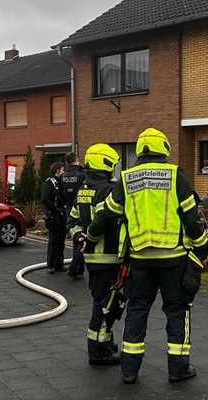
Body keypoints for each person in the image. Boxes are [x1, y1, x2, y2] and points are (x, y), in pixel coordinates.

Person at [88, 128, 208, 384]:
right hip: (174, 260)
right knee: (177, 311)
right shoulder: (175, 174)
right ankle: (178, 369)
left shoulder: (127, 177)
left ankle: (129, 370)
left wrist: (90, 236)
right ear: (164, 149)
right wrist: (201, 251)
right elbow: (191, 218)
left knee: (137, 310)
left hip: (140, 260)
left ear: (141, 149)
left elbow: (107, 213)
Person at [67, 143, 123, 365]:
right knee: (106, 305)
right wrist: (89, 237)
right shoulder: (107, 191)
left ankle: (106, 342)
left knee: (105, 302)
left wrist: (79, 235)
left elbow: (71, 220)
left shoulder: (84, 190)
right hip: (108, 258)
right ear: (106, 164)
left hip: (92, 260)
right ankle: (99, 353)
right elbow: (104, 221)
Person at [62, 152, 86, 280]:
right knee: (83, 239)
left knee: (76, 237)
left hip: (69, 208)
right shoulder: (82, 175)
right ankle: (75, 268)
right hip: (81, 207)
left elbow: (61, 193)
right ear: (77, 160)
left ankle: (78, 270)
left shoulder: (64, 176)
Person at [41, 161, 66, 274]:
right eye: (62, 169)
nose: (64, 171)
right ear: (58, 171)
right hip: (54, 215)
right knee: (54, 241)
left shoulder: (61, 182)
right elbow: (44, 198)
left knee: (61, 241)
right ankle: (51, 265)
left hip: (62, 214)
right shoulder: (49, 182)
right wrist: (54, 208)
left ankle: (59, 264)